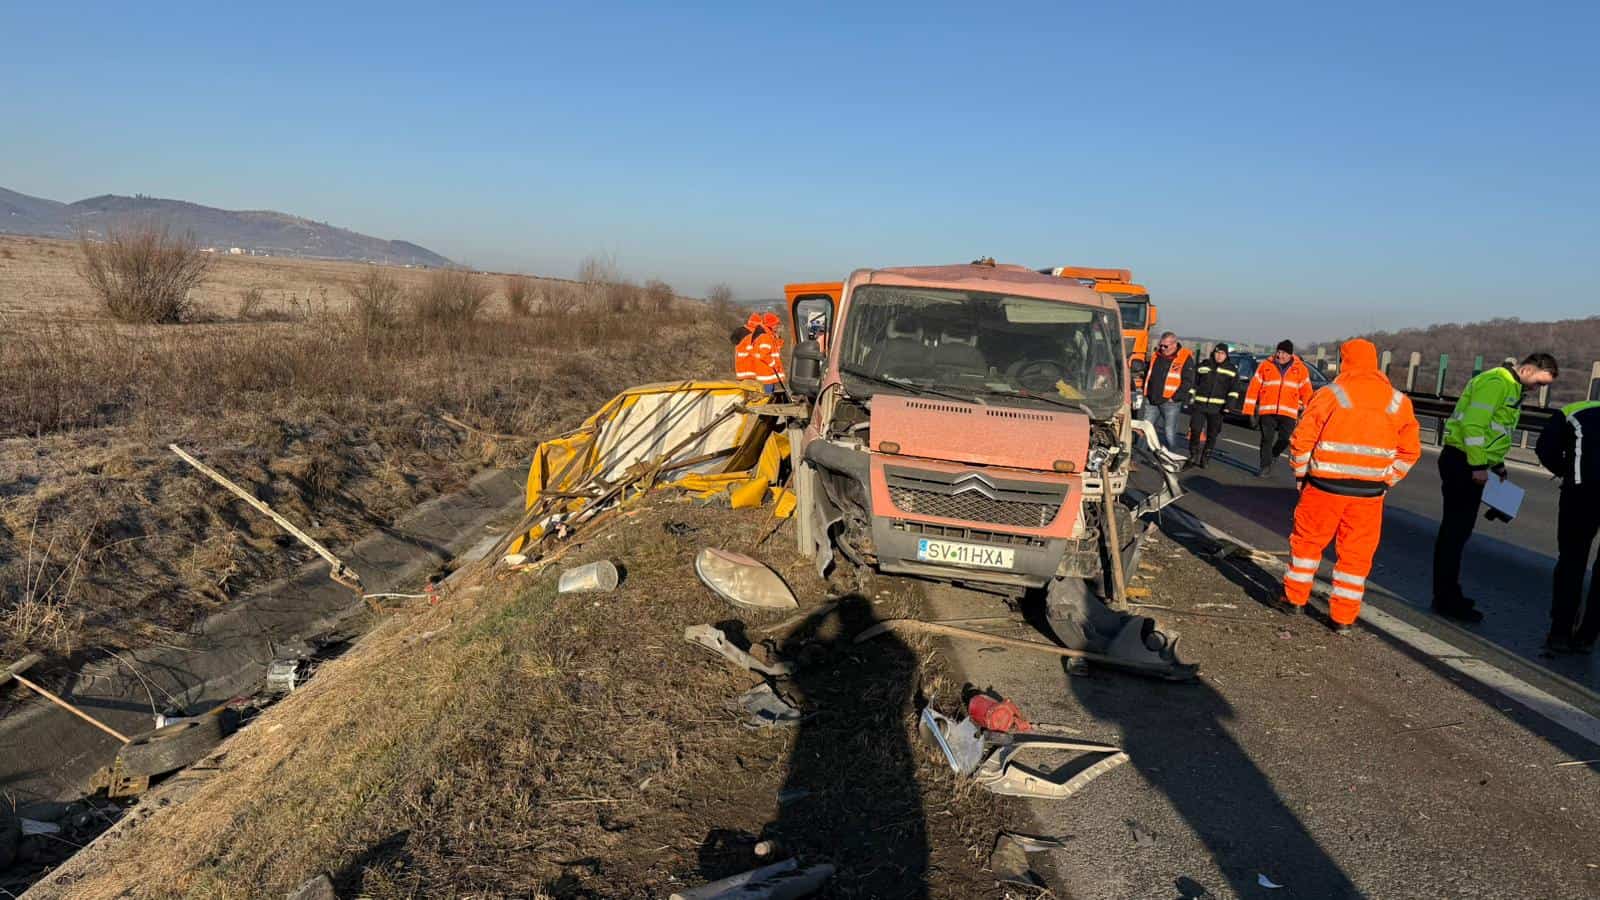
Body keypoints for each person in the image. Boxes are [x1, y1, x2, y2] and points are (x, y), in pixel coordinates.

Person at [1278, 339, 1421, 634]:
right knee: (1356, 556)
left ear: (1345, 362)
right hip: (1368, 495)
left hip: (1323, 487)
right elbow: (1410, 452)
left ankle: (1294, 599)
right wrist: (1386, 479)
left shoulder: (1330, 394)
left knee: (1307, 544)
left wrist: (1301, 475)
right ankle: (1343, 618)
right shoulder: (1398, 401)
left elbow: (1302, 439)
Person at [1432, 353, 1559, 622]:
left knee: (1459, 533)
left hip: (1471, 462)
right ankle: (1445, 598)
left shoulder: (1511, 387)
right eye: (1539, 382)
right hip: (1462, 462)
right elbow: (1474, 426)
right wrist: (1478, 465)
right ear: (1526, 369)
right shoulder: (1496, 383)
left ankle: (1449, 593)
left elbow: (1494, 430)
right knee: (1454, 534)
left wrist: (1497, 463)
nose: (1538, 389)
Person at [1535, 399, 1600, 653]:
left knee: (1572, 561)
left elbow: (1545, 449)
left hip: (1580, 494)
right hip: (1581, 492)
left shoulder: (1573, 411)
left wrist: (1567, 471)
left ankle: (1560, 632)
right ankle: (1588, 636)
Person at [1243, 340, 1313, 478]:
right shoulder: (1265, 365)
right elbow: (1253, 388)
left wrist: (1308, 413)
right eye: (1278, 352)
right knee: (1266, 439)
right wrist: (1249, 410)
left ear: (1290, 354)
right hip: (1267, 410)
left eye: (1283, 353)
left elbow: (1307, 392)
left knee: (1286, 439)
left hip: (1288, 412)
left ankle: (1274, 455)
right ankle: (1264, 466)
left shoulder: (1300, 369)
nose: (1280, 355)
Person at [1182, 343, 1238, 470]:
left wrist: (1229, 405)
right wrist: (1188, 399)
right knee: (1195, 430)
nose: (1219, 356)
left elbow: (1234, 390)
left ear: (1226, 355)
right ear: (1214, 353)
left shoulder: (1231, 369)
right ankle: (1193, 455)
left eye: (1222, 354)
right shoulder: (1204, 365)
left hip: (1217, 408)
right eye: (1217, 353)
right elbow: (1193, 383)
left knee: (1212, 434)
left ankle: (1206, 457)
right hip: (1200, 405)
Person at [1141, 332, 1195, 451]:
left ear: (1174, 344)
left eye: (1166, 346)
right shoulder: (1156, 355)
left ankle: (1172, 455)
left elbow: (1188, 381)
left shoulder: (1184, 357)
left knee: (1169, 431)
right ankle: (1137, 456)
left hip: (1170, 402)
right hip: (1152, 399)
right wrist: (1145, 391)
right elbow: (1148, 374)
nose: (1162, 348)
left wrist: (1175, 397)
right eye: (1161, 345)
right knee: (1145, 429)